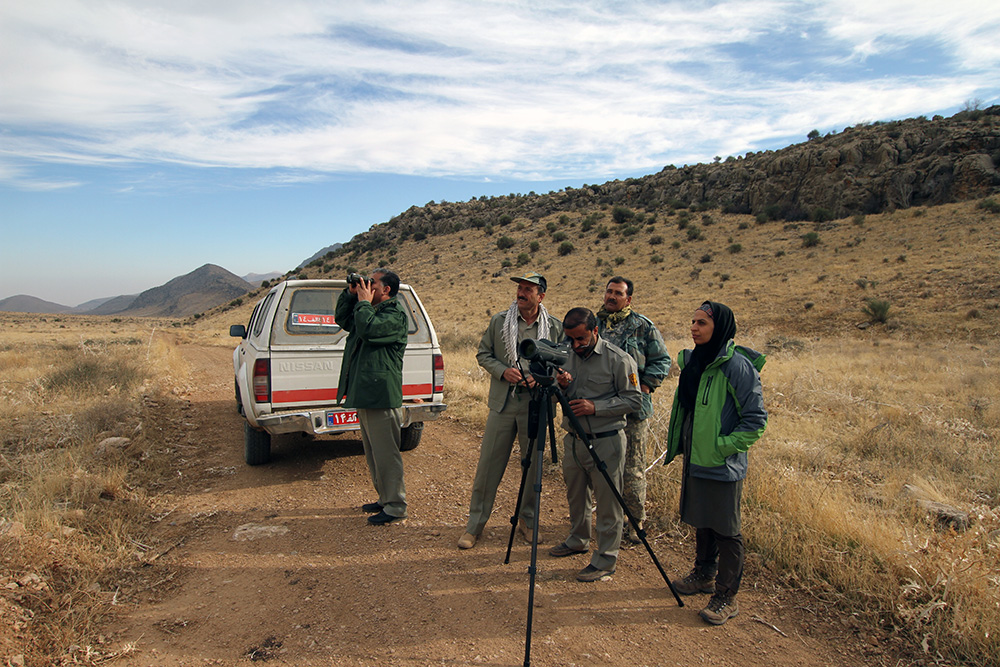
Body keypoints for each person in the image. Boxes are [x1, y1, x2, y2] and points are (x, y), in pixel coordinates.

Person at [664, 301, 767, 625]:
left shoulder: (737, 366)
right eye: (693, 321)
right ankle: (704, 573)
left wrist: (723, 447)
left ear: (719, 327)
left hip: (721, 462)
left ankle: (726, 596)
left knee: (727, 529)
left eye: (702, 323)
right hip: (697, 457)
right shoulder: (695, 361)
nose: (694, 328)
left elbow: (755, 420)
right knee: (703, 519)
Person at [457, 271, 564, 549]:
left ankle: (527, 521)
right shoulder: (499, 321)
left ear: (541, 296)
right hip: (503, 404)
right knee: (489, 466)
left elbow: (564, 362)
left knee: (532, 469)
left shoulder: (554, 327)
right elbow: (483, 354)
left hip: (537, 403)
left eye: (529, 289)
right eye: (520, 288)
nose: (522, 292)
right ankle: (475, 525)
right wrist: (503, 371)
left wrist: (542, 378)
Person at [548, 307, 641, 582]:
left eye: (581, 339)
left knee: (609, 502)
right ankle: (578, 539)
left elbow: (635, 400)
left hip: (606, 442)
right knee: (576, 496)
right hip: (574, 440)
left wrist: (595, 407)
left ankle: (605, 560)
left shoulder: (619, 360)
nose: (576, 345)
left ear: (595, 331)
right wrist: (562, 384)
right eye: (571, 339)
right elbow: (561, 393)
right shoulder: (567, 356)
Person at [596, 276, 671, 543]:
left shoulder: (642, 326)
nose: (611, 296)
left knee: (633, 468)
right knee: (603, 466)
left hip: (633, 411)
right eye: (609, 291)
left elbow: (662, 360)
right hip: (602, 408)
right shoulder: (594, 324)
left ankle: (635, 521)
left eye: (618, 293)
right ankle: (608, 518)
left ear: (628, 299)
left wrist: (647, 387)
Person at [335, 269, 410, 526]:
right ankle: (385, 498)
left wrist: (364, 303)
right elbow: (344, 319)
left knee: (386, 454)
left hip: (381, 394)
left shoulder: (394, 314)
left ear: (386, 290)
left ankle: (396, 505)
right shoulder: (369, 310)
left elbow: (367, 330)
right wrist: (351, 294)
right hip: (366, 390)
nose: (368, 285)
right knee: (373, 452)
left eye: (372, 283)